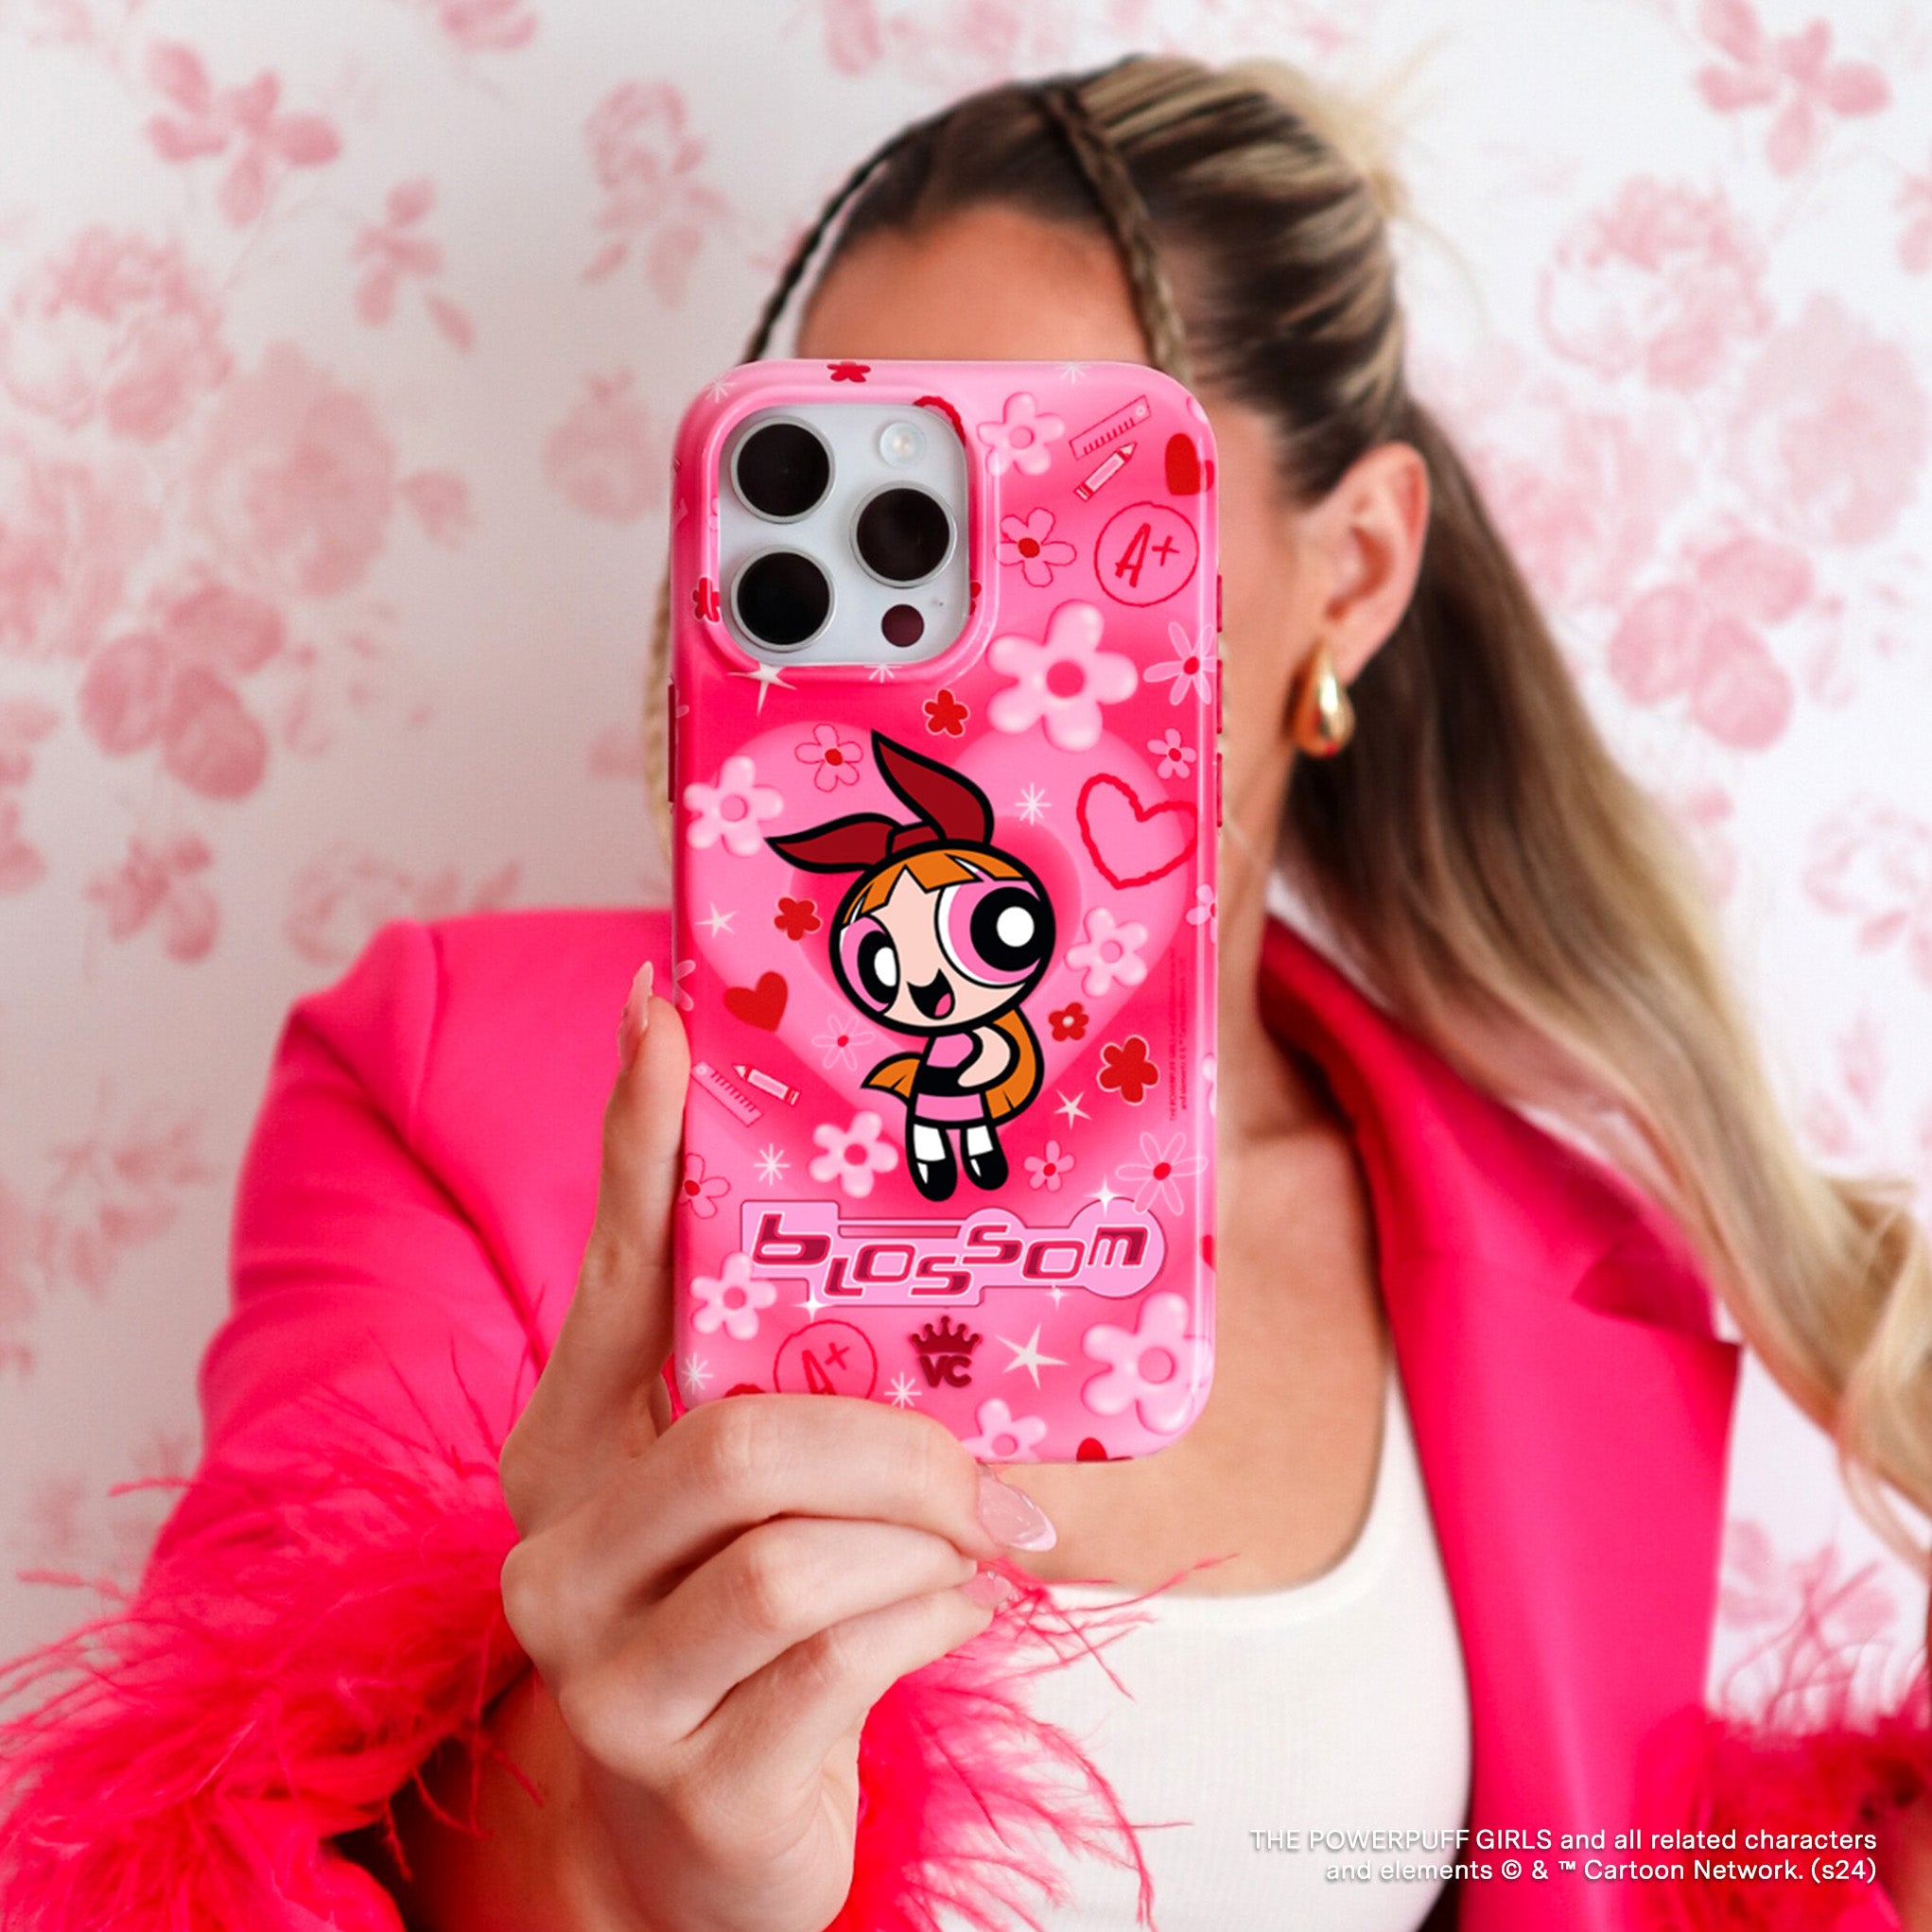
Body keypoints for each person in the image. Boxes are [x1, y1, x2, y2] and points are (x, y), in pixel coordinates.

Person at [3, 50, 1929, 1932]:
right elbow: (187, 1861)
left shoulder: (1580, 1269)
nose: (950, 657)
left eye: (1063, 514)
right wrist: (602, 1862)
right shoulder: (446, 1094)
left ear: (1350, 573)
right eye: (865, 522)